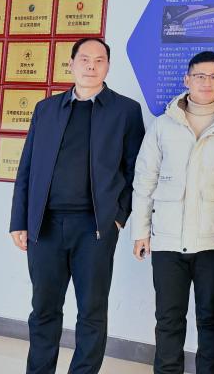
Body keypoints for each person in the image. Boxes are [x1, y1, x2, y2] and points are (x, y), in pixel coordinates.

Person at [9, 37, 145, 374]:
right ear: (71, 64)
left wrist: (118, 217)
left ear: (108, 67)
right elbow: (27, 167)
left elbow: (136, 172)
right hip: (45, 226)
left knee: (92, 312)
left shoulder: (126, 111)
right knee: (43, 309)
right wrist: (19, 220)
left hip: (94, 228)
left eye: (99, 60)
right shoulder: (46, 109)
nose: (91, 66)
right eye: (84, 59)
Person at [131, 51, 214, 374]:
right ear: (187, 80)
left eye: (213, 76)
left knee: (211, 317)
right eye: (199, 76)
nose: (206, 82)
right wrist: (141, 231)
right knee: (168, 319)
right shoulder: (164, 125)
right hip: (168, 240)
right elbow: (145, 180)